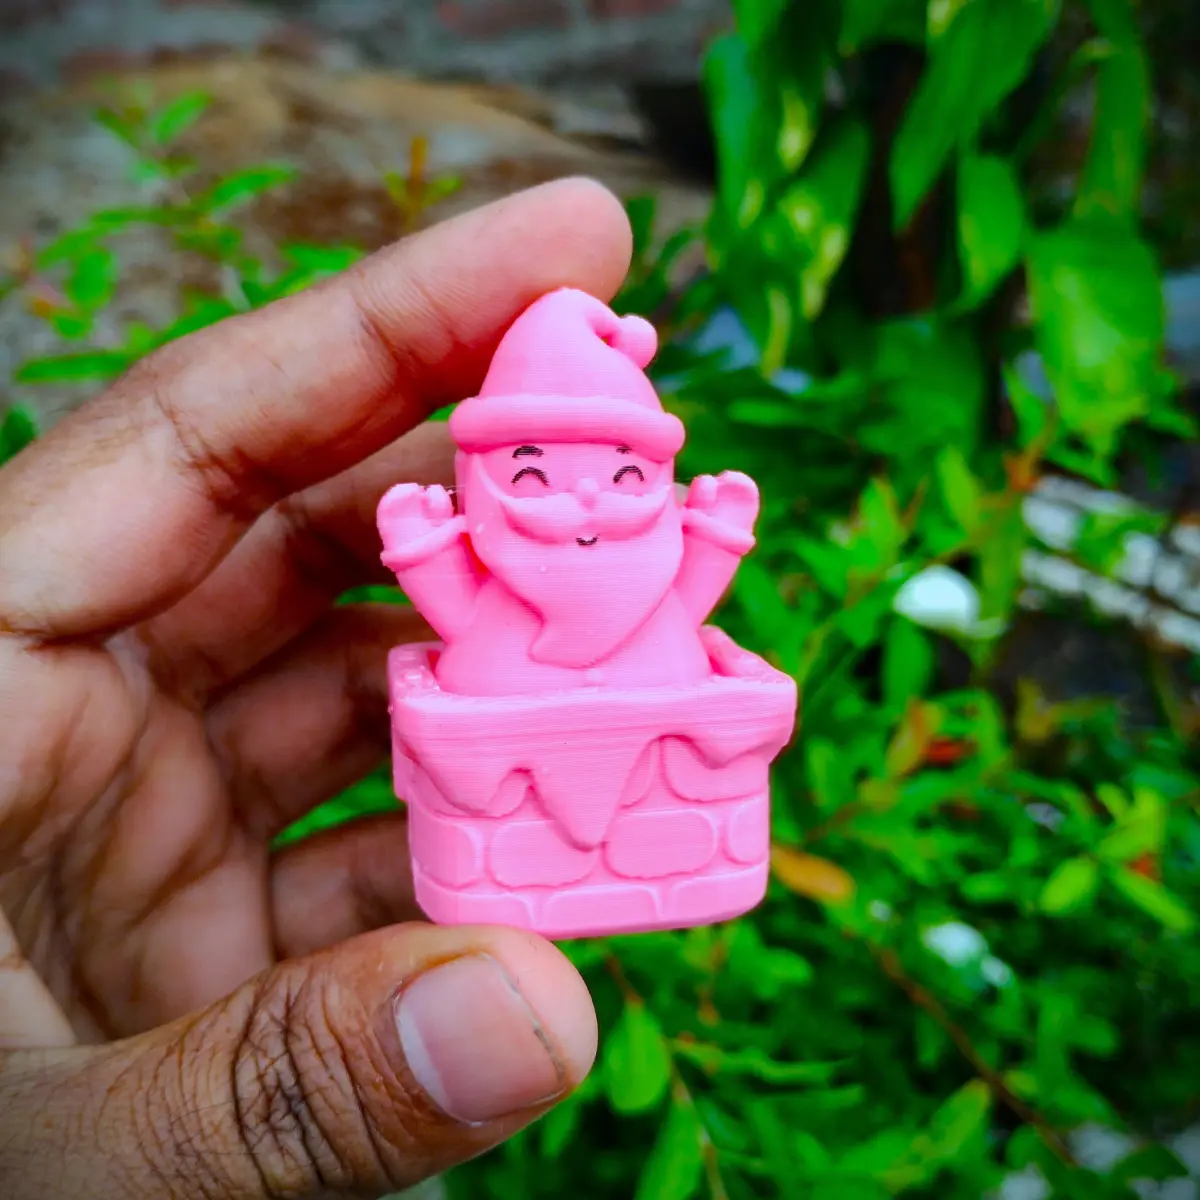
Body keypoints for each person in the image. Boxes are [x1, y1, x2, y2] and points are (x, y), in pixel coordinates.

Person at [0, 179, 632, 1199]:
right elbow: (465, 617)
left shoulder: (647, 581)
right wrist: (425, 556)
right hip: (505, 725)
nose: (582, 507)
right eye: (532, 477)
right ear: (486, 484)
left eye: (625, 477)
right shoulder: (493, 597)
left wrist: (715, 540)